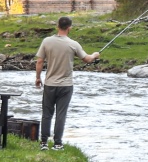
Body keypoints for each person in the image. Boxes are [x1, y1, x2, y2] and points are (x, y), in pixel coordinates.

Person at [34, 16, 100, 150]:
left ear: (57, 26)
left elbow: (39, 61)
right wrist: (95, 55)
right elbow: (87, 59)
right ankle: (57, 143)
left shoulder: (47, 41)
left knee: (47, 114)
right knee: (61, 114)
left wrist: (38, 78)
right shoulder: (73, 44)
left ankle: (44, 143)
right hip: (66, 85)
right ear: (69, 28)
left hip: (50, 84)